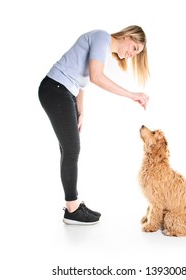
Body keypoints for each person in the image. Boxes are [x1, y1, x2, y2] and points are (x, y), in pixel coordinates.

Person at [38, 25, 150, 225]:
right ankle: (71, 209)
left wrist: (81, 112)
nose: (131, 55)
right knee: (72, 149)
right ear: (127, 36)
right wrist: (132, 95)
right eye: (134, 48)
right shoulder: (102, 37)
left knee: (69, 150)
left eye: (136, 53)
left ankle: (73, 204)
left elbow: (81, 83)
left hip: (63, 91)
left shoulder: (103, 46)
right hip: (55, 89)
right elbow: (96, 77)